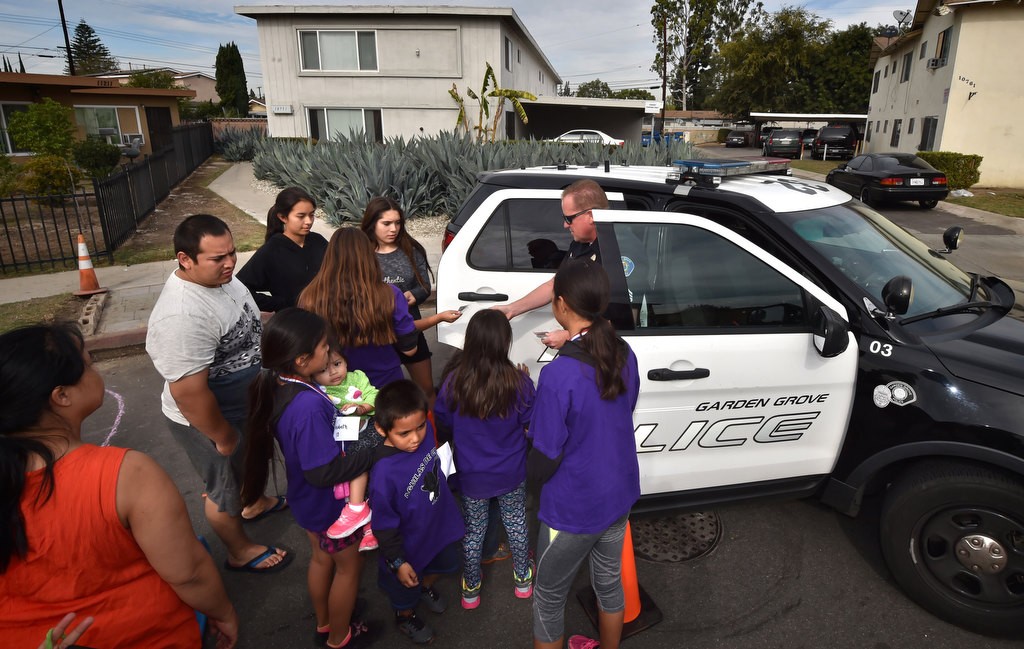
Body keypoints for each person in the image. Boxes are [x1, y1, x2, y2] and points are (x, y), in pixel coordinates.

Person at [0, 323, 238, 649]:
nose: (95, 370)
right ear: (62, 396)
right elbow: (188, 572)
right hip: (138, 635)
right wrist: (222, 611)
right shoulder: (127, 474)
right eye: (88, 363)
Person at [146, 214, 292, 574]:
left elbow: (246, 322)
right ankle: (238, 550)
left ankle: (254, 501)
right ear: (185, 259)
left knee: (250, 462)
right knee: (222, 488)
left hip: (244, 402)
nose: (229, 264)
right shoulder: (181, 316)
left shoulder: (222, 282)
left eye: (231, 254)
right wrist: (223, 437)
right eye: (217, 259)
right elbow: (190, 393)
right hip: (210, 421)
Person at [242, 308, 377, 649]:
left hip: (306, 500)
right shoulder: (308, 407)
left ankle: (326, 622)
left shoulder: (282, 382)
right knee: (348, 569)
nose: (330, 351)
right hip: (328, 505)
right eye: (323, 347)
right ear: (302, 360)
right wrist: (371, 451)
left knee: (320, 559)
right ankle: (339, 637)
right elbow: (323, 472)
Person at [527, 261, 641, 649]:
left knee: (547, 595)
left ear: (560, 305)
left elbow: (545, 451)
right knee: (608, 580)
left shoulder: (558, 375)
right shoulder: (624, 351)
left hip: (575, 504)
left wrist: (527, 485)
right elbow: (624, 410)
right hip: (621, 490)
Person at [434, 309, 536, 610]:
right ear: (505, 342)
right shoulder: (519, 383)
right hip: (511, 472)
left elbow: (444, 422)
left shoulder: (454, 382)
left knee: (474, 529)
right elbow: (530, 423)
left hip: (472, 474)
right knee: (516, 522)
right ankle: (523, 581)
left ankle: (471, 589)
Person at [368, 380, 465, 645]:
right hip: (409, 546)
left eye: (420, 427)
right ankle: (405, 616)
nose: (415, 438)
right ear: (381, 429)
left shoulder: (425, 431)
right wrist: (398, 563)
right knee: (404, 591)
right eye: (404, 433)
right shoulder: (382, 475)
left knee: (444, 565)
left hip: (439, 528)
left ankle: (424, 586)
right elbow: (384, 527)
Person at [300, 227, 459, 388]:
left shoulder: (309, 296)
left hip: (333, 386)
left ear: (329, 256)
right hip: (384, 383)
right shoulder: (389, 294)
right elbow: (409, 349)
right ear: (368, 256)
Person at [360, 197, 454, 406]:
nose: (393, 229)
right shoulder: (362, 253)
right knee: (378, 393)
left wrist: (414, 295)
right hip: (377, 333)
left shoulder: (411, 248)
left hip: (411, 327)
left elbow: (424, 285)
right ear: (371, 223)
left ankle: (432, 432)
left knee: (425, 389)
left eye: (398, 222)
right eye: (386, 223)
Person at [495, 179, 608, 349]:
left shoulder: (615, 251)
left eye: (569, 218)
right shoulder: (579, 244)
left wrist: (571, 336)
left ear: (590, 216)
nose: (564, 224)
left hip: (602, 352)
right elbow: (555, 284)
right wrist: (512, 309)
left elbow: (624, 318)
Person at [312, 343, 380, 550]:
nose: (333, 372)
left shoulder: (357, 377)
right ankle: (367, 526)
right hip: (342, 442)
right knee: (355, 476)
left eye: (338, 364)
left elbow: (373, 394)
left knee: (362, 469)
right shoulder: (319, 392)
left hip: (366, 431)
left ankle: (358, 508)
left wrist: (362, 408)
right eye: (324, 369)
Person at [237, 186, 328, 312]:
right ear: (283, 217)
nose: (308, 221)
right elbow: (239, 289)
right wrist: (281, 303)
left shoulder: (318, 241)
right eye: (301, 216)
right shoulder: (271, 251)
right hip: (296, 324)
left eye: (311, 215)